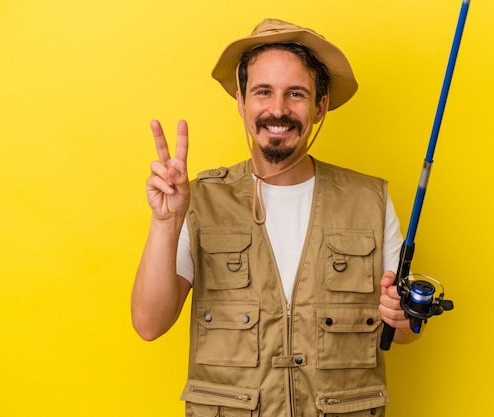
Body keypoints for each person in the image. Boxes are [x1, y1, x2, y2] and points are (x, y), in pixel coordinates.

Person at [131, 18, 422, 416]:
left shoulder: (370, 199)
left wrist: (401, 318)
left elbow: (402, 332)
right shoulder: (199, 199)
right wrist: (165, 222)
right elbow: (149, 324)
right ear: (241, 102)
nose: (278, 110)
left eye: (296, 94)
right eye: (263, 92)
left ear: (320, 107)